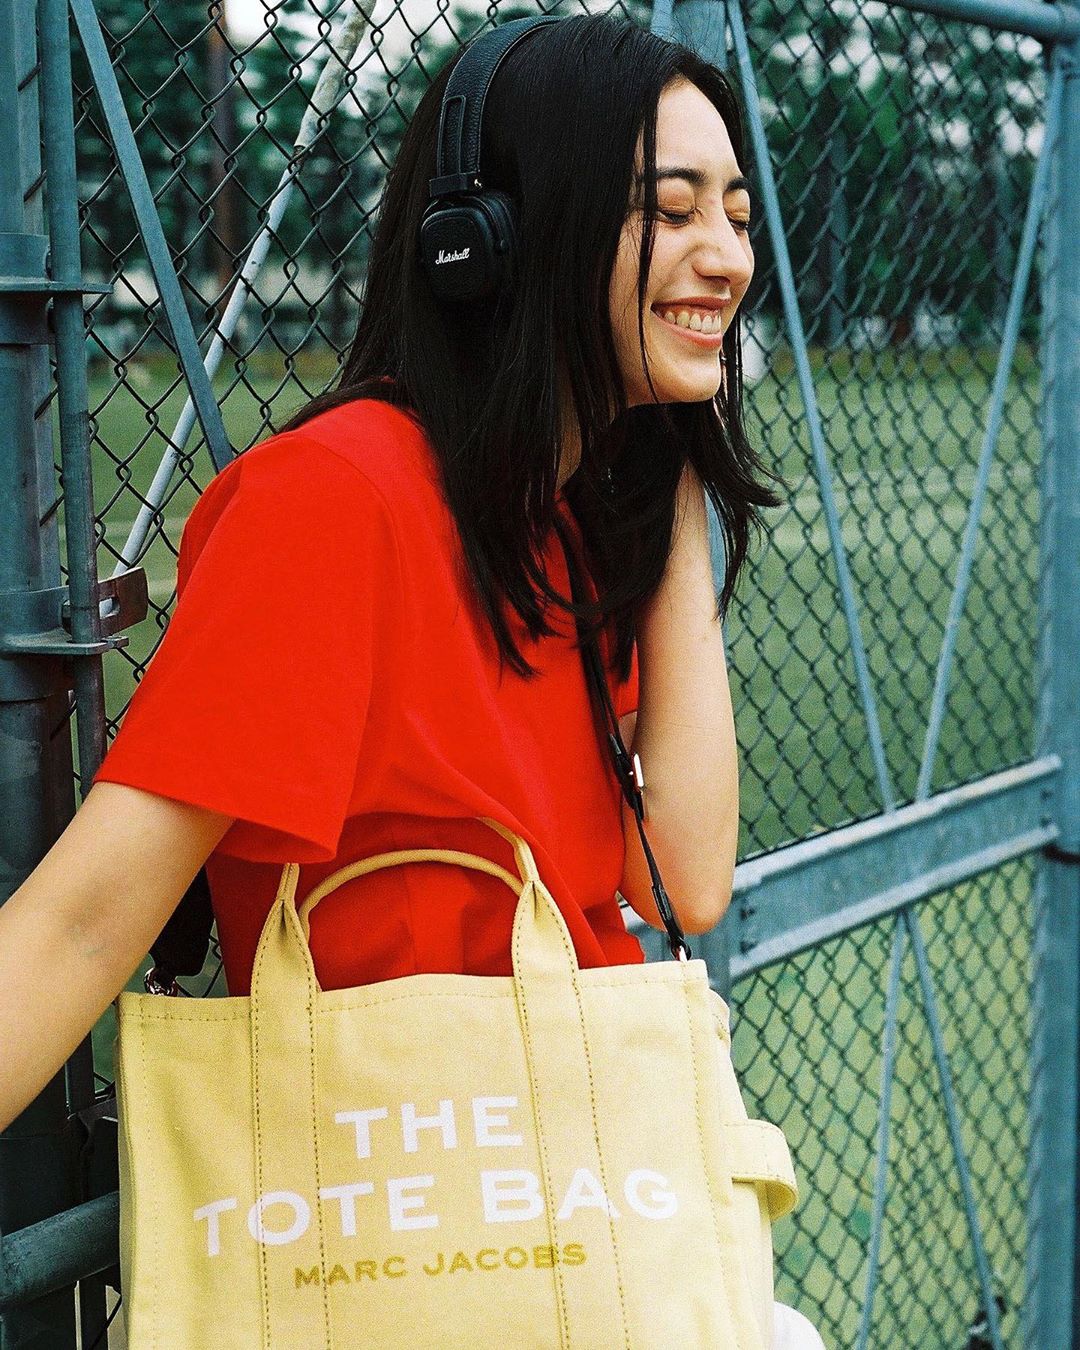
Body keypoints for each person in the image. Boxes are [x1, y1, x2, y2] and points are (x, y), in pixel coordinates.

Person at [0, 13, 824, 1346]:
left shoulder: (554, 518)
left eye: (735, 210)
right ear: (487, 241)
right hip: (398, 1239)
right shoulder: (334, 505)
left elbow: (684, 862)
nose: (726, 256)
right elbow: (87, 922)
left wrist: (672, 472)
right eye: (668, 212)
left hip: (572, 1208)